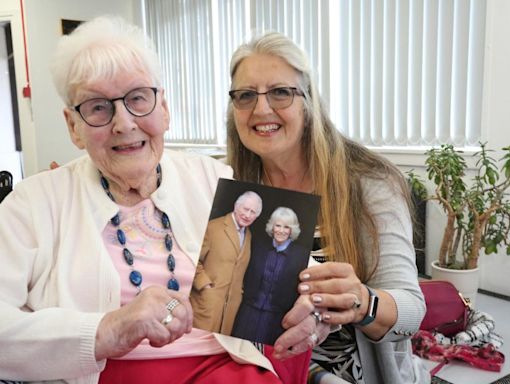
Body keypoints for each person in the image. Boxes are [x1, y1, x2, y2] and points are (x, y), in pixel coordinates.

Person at [0, 18, 312, 384]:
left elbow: (270, 274)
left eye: (137, 99)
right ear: (73, 126)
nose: (124, 124)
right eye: (98, 107)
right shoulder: (35, 202)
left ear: (163, 108)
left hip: (225, 371)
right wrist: (106, 331)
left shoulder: (214, 180)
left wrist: (305, 304)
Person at [226, 32, 430, 383]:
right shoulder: (231, 183)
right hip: (257, 368)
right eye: (246, 95)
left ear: (308, 102)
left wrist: (362, 302)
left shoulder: (370, 182)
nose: (261, 109)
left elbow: (412, 311)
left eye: (280, 92)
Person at [232, 207, 310, 345]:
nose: (281, 230)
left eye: (286, 227)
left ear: (292, 230)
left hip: (276, 318)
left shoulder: (302, 256)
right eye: (278, 225)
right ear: (272, 227)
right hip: (249, 312)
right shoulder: (257, 246)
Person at [191, 190, 262, 334]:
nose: (248, 215)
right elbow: (193, 259)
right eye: (245, 209)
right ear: (236, 206)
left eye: (253, 212)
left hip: (230, 309)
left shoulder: (248, 235)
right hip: (206, 302)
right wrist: (204, 285)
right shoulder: (212, 227)